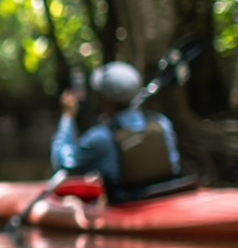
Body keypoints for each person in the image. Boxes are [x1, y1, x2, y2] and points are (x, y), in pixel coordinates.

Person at [50, 61, 182, 204]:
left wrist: (68, 116)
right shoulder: (162, 124)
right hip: (164, 201)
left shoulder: (101, 138)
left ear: (106, 100)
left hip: (128, 208)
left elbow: (62, 162)